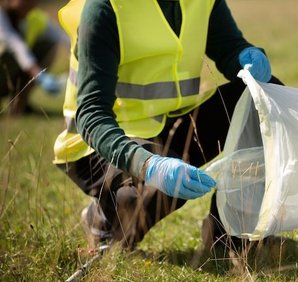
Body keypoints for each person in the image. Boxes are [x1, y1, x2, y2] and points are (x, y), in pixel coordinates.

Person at [53, 0, 283, 251]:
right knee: (153, 192)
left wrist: (244, 56)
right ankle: (104, 220)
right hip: (98, 145)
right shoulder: (105, 8)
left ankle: (231, 236)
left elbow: (228, 48)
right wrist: (147, 165)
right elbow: (92, 115)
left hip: (167, 126)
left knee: (264, 99)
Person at [0, 0, 68, 116]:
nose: (31, 5)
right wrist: (39, 75)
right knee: (7, 51)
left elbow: (61, 36)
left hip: (15, 71)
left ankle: (19, 105)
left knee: (47, 44)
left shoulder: (33, 17)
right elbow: (16, 46)